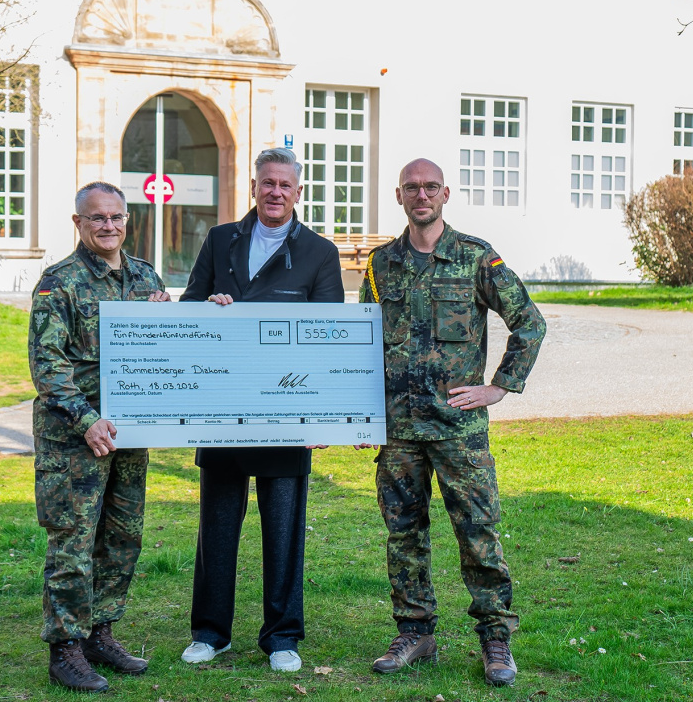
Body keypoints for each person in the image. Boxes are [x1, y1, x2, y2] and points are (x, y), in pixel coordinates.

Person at [359, 158, 545, 687]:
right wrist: (360, 416)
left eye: (430, 187)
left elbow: (529, 323)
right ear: (399, 196)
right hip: (398, 431)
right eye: (412, 188)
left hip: (458, 432)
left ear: (445, 194)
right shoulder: (380, 265)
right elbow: (361, 344)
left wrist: (499, 386)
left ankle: (495, 638)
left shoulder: (476, 258)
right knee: (403, 536)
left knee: (477, 533)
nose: (421, 195)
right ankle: (415, 632)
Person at [178, 147, 344, 672]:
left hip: (287, 411)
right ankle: (210, 633)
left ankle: (282, 637)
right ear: (253, 187)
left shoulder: (319, 252)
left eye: (284, 184)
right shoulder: (220, 239)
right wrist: (209, 311)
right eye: (267, 182)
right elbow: (188, 311)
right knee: (216, 529)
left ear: (299, 191)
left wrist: (323, 413)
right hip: (223, 409)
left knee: (284, 532)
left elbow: (331, 336)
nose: (275, 192)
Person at [29, 181, 171, 693]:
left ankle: (100, 633)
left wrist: (175, 317)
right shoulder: (59, 283)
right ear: (78, 223)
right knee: (73, 540)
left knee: (121, 537)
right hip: (74, 440)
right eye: (97, 218)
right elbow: (48, 366)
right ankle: (65, 648)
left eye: (116, 217)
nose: (108, 226)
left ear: (127, 220)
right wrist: (86, 419)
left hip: (129, 433)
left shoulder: (144, 277)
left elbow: (163, 349)